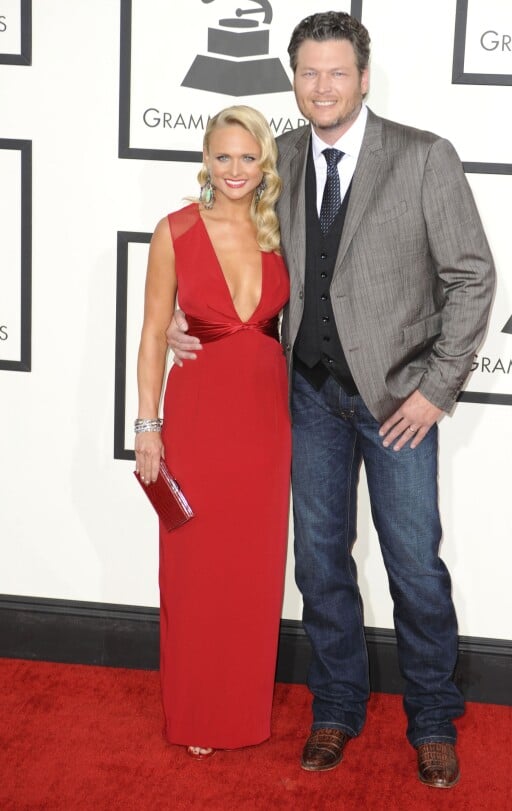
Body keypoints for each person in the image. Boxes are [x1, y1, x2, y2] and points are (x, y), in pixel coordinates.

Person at [167, 12, 495, 787]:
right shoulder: (275, 160)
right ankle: (338, 706)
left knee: (414, 565)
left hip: (398, 406)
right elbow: (230, 254)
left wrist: (436, 389)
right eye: (309, 73)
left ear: (364, 76)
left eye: (337, 72)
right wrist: (190, 320)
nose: (323, 87)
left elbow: (472, 276)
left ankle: (433, 717)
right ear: (293, 80)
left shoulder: (422, 158)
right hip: (307, 398)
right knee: (319, 563)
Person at [135, 105, 291, 759]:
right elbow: (151, 331)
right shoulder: (175, 230)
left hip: (264, 425)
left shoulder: (280, 231)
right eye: (222, 157)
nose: (233, 170)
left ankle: (242, 711)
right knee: (195, 569)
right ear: (205, 160)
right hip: (197, 420)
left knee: (252, 573)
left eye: (246, 157)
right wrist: (148, 425)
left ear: (264, 166)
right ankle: (198, 712)